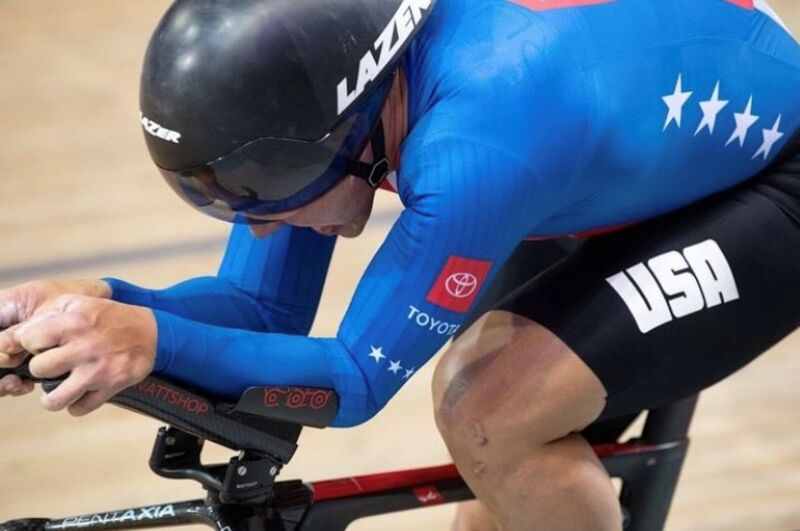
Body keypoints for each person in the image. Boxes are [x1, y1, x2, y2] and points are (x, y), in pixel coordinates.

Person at [1, 0, 800, 529]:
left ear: (334, 136)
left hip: (765, 184)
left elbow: (352, 378)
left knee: (491, 409)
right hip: (606, 153)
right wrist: (97, 305)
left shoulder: (474, 144)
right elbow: (259, 308)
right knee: (501, 478)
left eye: (260, 191)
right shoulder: (335, 82)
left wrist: (148, 337)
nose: (258, 220)